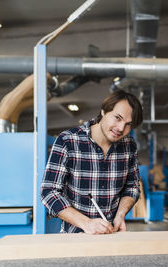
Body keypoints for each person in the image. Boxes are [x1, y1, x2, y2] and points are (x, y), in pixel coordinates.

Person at [41, 90, 143, 234]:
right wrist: (87, 223)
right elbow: (49, 192)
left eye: (128, 124)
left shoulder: (129, 146)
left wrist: (120, 214)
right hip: (75, 239)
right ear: (103, 111)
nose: (121, 128)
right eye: (117, 118)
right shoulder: (68, 141)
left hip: (113, 236)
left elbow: (132, 186)